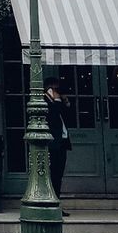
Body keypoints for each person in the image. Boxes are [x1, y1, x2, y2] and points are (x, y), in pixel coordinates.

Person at [44, 77, 72, 212]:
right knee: (53, 175)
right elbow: (52, 115)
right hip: (53, 144)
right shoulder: (45, 102)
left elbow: (67, 115)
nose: (58, 91)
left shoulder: (59, 102)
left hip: (62, 142)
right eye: (55, 88)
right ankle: (51, 204)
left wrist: (64, 101)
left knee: (58, 176)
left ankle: (56, 203)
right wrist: (55, 100)